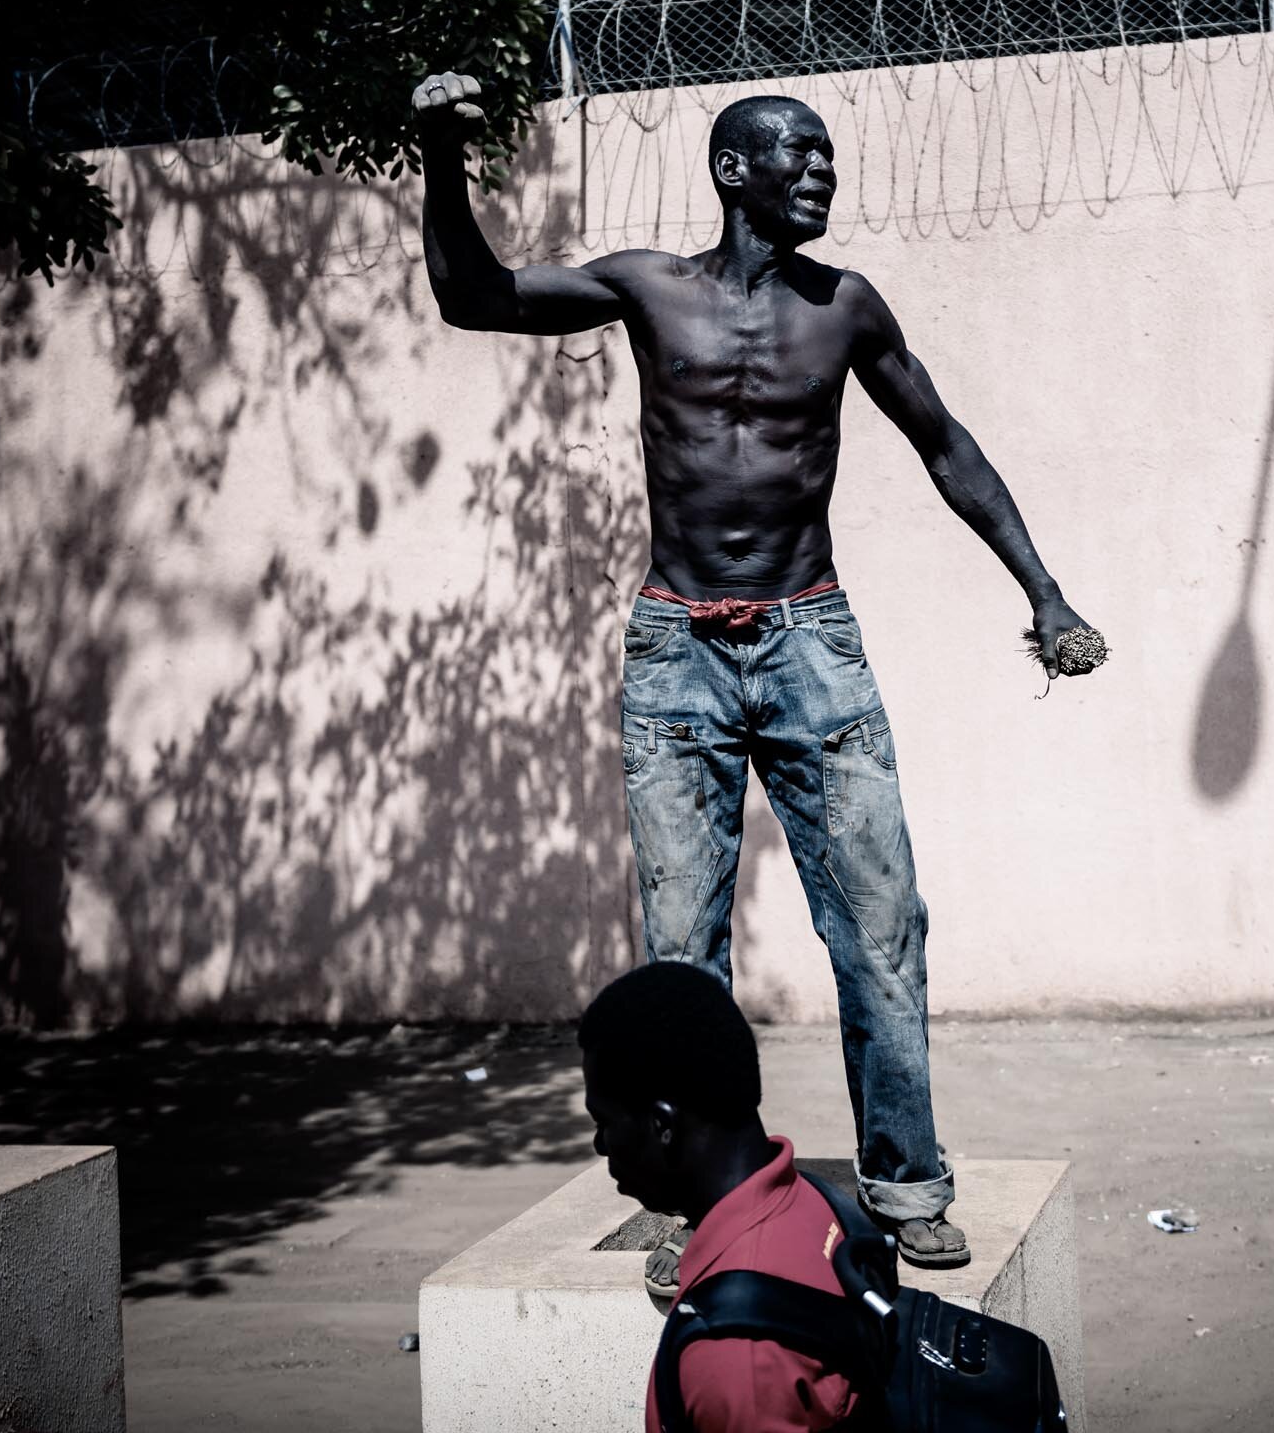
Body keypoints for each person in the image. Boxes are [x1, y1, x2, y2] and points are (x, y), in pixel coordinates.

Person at [416, 73, 1096, 1276]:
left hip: (810, 644)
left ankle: (903, 1183)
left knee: (882, 927)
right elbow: (476, 296)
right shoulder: (646, 287)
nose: (823, 172)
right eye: (801, 152)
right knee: (681, 953)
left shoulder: (847, 309)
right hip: (676, 647)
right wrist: (437, 154)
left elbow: (947, 446)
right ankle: (693, 1213)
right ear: (736, 171)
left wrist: (1042, 591)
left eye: (828, 156)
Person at [582, 961, 860, 1433]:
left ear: (662, 1127)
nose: (599, 1146)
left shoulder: (735, 1360)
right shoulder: (820, 1203)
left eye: (603, 1122)